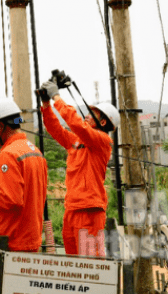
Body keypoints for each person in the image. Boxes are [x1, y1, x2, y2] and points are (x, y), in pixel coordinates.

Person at [39, 79, 115, 257]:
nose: (87, 115)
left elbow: (76, 124)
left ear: (103, 123)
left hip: (89, 211)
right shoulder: (76, 141)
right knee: (74, 264)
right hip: (72, 209)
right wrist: (45, 104)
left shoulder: (102, 141)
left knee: (91, 265)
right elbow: (55, 129)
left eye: (92, 114)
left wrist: (56, 97)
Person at [0, 97, 48, 252]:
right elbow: (24, 193)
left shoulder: (9, 154)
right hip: (31, 238)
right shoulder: (34, 151)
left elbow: (11, 199)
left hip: (14, 241)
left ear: (0, 127)